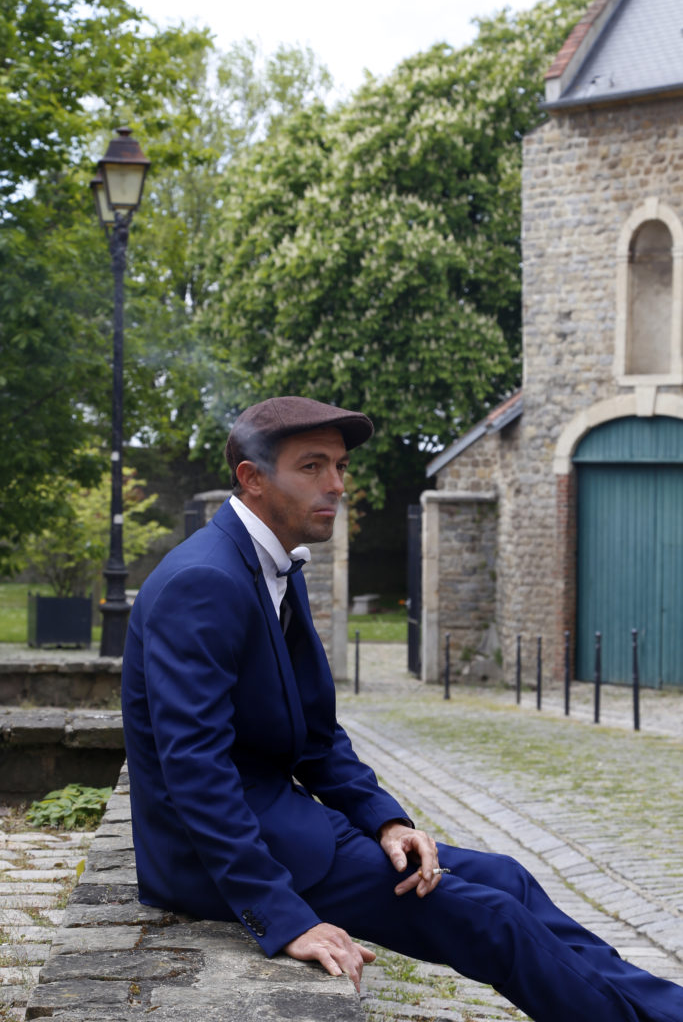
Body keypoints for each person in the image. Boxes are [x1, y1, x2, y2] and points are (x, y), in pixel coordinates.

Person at [121, 396, 683, 1022]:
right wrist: (282, 917)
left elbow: (316, 736)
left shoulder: (272, 566)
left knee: (507, 877)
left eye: (339, 466)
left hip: (289, 826)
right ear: (252, 478)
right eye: (312, 466)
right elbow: (194, 771)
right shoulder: (204, 581)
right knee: (490, 918)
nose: (337, 484)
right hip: (229, 861)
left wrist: (385, 821)